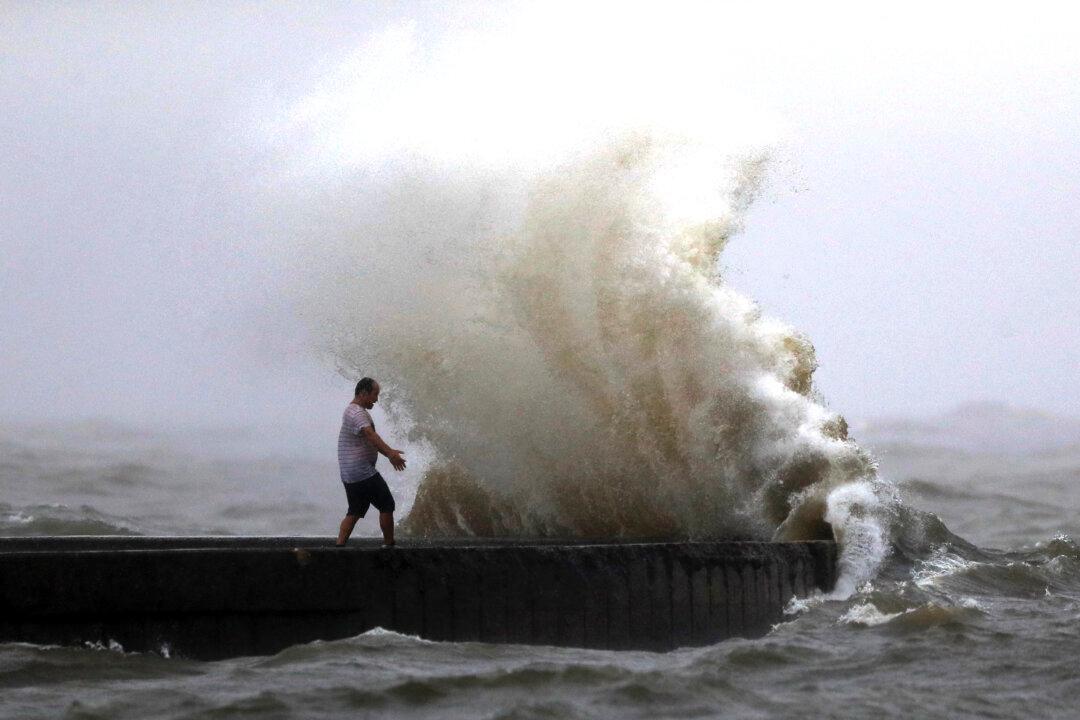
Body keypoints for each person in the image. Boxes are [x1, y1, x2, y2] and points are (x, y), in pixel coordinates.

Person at [336, 377, 406, 547]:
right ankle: (389, 545)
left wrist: (389, 453)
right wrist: (390, 453)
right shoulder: (357, 413)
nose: (376, 399)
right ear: (363, 393)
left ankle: (339, 546)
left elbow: (370, 441)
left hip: (350, 473)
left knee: (355, 510)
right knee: (387, 504)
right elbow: (371, 435)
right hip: (361, 472)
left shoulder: (353, 411)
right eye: (375, 394)